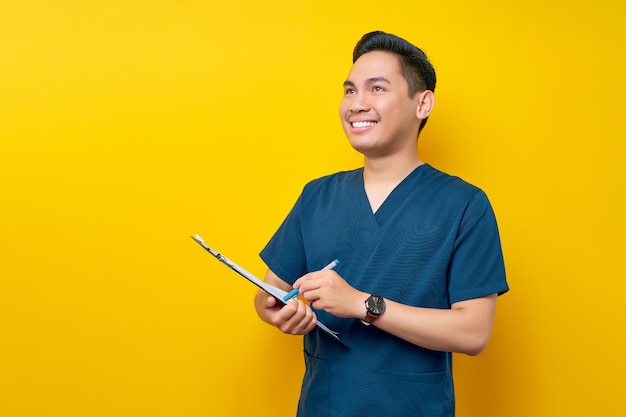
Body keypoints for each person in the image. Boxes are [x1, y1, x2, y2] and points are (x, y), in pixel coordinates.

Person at [253, 30, 508, 417]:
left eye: (376, 89)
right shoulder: (317, 196)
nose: (357, 104)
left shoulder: (465, 205)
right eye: (350, 91)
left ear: (422, 103)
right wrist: (278, 311)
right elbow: (267, 294)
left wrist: (360, 304)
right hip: (324, 406)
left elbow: (473, 333)